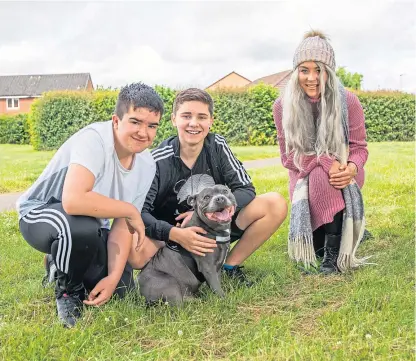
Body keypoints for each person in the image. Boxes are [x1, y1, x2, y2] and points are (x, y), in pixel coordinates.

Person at [17, 82, 164, 327]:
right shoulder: (94, 140)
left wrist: (114, 277)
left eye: (152, 126)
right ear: (116, 121)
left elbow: (123, 226)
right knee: (79, 227)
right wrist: (128, 210)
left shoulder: (147, 164)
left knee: (120, 289)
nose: (143, 132)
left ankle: (57, 263)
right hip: (41, 214)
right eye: (135, 122)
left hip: (91, 224)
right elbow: (73, 201)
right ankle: (67, 292)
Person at [128, 88, 287, 286]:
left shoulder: (218, 146)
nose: (194, 123)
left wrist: (209, 212)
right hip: (174, 237)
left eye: (201, 117)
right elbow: (140, 212)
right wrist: (175, 233)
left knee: (274, 203)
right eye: (186, 116)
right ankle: (175, 271)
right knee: (133, 245)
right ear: (174, 119)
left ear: (211, 121)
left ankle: (227, 267)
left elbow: (245, 189)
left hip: (216, 225)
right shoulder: (157, 160)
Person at [273, 30, 369, 274]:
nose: (311, 78)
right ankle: (336, 233)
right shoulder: (282, 105)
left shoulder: (348, 100)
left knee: (324, 177)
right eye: (304, 70)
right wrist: (325, 160)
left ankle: (333, 256)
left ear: (330, 71)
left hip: (343, 174)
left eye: (319, 69)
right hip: (302, 172)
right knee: (318, 175)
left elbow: (359, 148)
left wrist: (351, 168)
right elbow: (287, 157)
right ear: (296, 73)